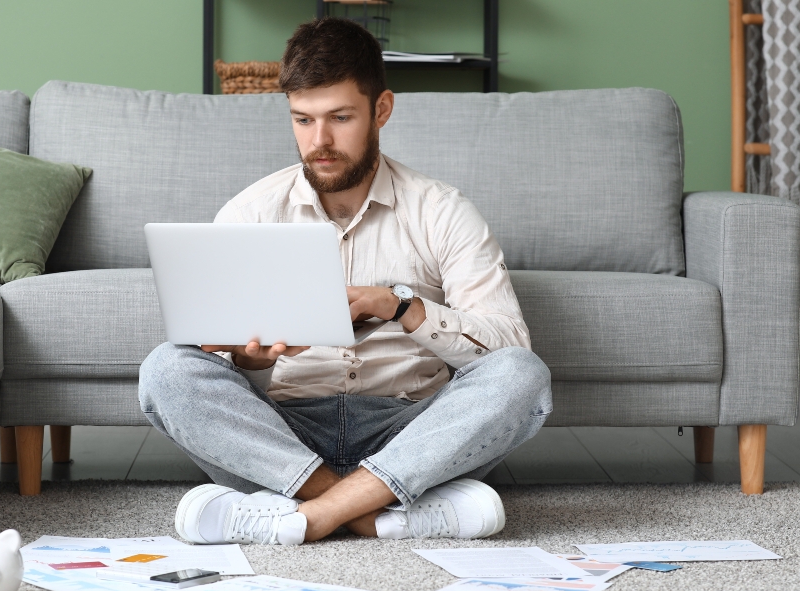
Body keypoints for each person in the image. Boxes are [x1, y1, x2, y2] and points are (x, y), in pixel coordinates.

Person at [138, 17, 552, 546]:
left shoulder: (442, 210)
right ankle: (377, 512)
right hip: (284, 435)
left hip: (411, 431)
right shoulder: (251, 210)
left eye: (340, 117)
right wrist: (250, 363)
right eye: (303, 120)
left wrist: (403, 307)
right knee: (166, 369)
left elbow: (509, 346)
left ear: (381, 109)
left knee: (522, 373)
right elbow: (214, 370)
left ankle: (305, 516)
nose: (320, 142)